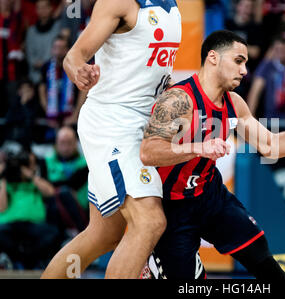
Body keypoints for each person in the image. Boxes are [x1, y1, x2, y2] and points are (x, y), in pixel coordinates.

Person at [139, 30, 285, 279]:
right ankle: (154, 267)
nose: (245, 70)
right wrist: (198, 148)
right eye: (239, 61)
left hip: (209, 195)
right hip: (173, 204)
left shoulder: (235, 103)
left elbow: (270, 146)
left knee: (260, 255)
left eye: (245, 63)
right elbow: (148, 152)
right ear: (213, 58)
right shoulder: (178, 99)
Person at [41, 0, 182, 279]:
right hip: (112, 123)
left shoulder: (172, 6)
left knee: (104, 235)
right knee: (150, 221)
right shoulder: (120, 2)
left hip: (141, 125)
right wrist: (79, 71)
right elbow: (74, 55)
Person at [0, 149, 59, 269]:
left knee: (53, 233)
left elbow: (51, 192)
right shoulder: (6, 183)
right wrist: (4, 177)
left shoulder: (35, 182)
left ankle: (29, 260)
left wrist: (31, 176)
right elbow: (2, 208)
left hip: (34, 225)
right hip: (11, 225)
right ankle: (15, 259)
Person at [247, 37, 285, 126]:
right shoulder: (267, 65)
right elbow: (255, 91)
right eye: (278, 50)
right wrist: (250, 116)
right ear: (273, 50)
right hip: (270, 117)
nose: (282, 53)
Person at [42, 126, 89, 237]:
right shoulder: (46, 162)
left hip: (82, 210)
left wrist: (53, 186)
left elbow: (72, 184)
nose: (66, 147)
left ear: (76, 143)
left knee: (64, 192)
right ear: (56, 143)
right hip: (54, 211)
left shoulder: (85, 163)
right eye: (62, 143)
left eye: (69, 143)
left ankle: (80, 232)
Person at [25, 0, 61, 85]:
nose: (42, 10)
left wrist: (45, 63)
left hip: (53, 74)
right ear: (36, 10)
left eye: (45, 7)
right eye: (39, 8)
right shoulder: (31, 31)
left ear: (51, 8)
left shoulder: (58, 28)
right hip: (34, 76)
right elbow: (29, 53)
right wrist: (35, 62)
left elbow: (59, 51)